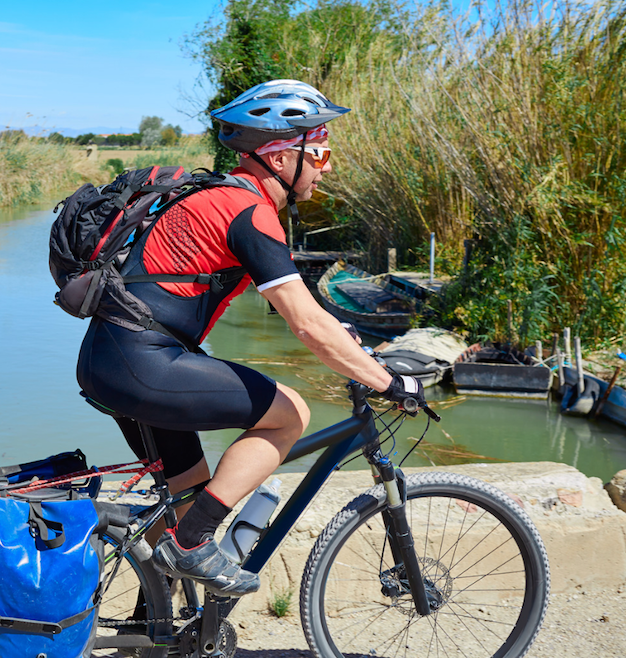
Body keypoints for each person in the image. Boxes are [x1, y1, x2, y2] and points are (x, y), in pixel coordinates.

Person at [76, 79, 424, 596]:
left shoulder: (217, 195)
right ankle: (192, 542)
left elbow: (298, 307)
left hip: (113, 360)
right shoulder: (249, 211)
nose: (326, 165)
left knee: (189, 499)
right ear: (281, 159)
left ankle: (156, 631)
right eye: (321, 152)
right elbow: (304, 325)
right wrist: (386, 380)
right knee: (291, 414)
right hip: (143, 363)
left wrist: (343, 338)